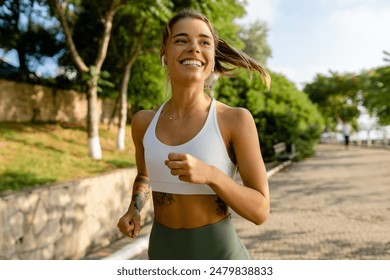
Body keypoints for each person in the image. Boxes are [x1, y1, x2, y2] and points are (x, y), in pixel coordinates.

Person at [117, 9, 270, 260]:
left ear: (211, 56)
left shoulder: (235, 120)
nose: (193, 48)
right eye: (180, 40)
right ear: (164, 53)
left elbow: (260, 210)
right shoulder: (143, 122)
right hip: (162, 255)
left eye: (204, 42)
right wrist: (134, 210)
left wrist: (211, 175)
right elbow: (145, 175)